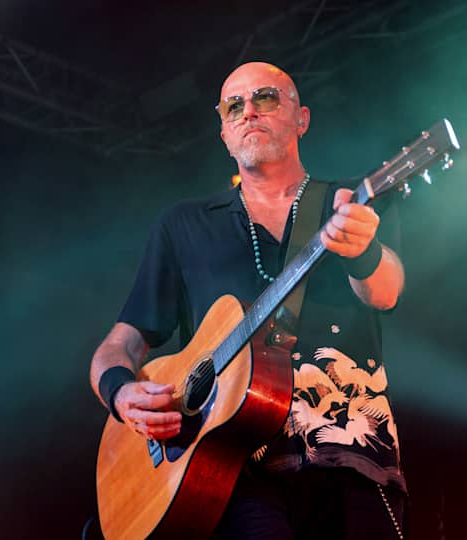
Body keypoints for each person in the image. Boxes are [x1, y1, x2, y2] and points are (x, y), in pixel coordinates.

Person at [90, 62, 408, 539]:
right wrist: (120, 394)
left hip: (352, 456)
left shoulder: (348, 203)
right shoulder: (184, 224)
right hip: (229, 473)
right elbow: (120, 344)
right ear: (223, 133)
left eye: (265, 98)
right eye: (233, 106)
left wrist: (362, 250)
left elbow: (386, 292)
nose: (248, 112)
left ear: (301, 118)